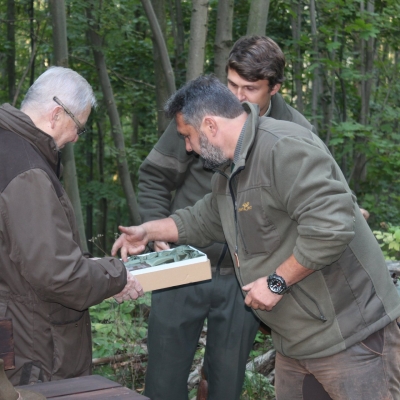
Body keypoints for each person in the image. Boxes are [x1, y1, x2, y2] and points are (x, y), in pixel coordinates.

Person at [112, 75, 400, 400]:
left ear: (209, 125)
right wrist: (148, 231)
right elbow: (206, 217)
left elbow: (331, 226)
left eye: (188, 137)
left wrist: (277, 281)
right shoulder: (229, 171)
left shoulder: (283, 146)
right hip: (295, 343)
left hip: (351, 337)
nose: (188, 147)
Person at [137, 36, 315, 400]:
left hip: (245, 276)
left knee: (226, 381)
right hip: (182, 262)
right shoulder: (203, 111)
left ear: (275, 88)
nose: (237, 96)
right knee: (163, 379)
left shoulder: (295, 130)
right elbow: (155, 176)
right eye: (232, 83)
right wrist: (158, 231)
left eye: (249, 88)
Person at [0, 66, 143, 386]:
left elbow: (21, 256)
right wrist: (117, 275)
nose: (77, 137)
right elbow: (55, 274)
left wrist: (85, 266)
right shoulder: (27, 172)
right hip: (35, 348)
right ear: (55, 114)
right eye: (79, 125)